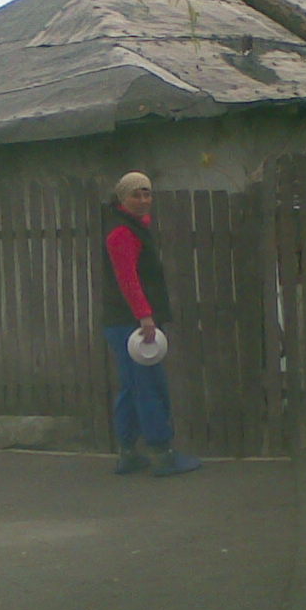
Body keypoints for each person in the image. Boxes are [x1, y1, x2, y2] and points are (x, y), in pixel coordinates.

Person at [102, 171, 201, 477]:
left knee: (132, 387)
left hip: (123, 321)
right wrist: (145, 316)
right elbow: (128, 278)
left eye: (147, 193)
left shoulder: (133, 228)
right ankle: (162, 453)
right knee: (149, 386)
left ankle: (128, 453)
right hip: (132, 323)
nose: (144, 200)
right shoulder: (122, 232)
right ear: (122, 198)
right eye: (136, 194)